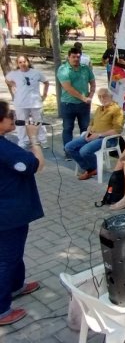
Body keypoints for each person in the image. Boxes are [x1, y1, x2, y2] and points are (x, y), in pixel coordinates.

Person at [0, 101, 45, 325]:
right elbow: (36, 164)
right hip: (8, 214)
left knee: (14, 253)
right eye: (8, 116)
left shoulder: (5, 143)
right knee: (7, 259)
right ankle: (1, 310)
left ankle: (16, 286)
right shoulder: (4, 148)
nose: (12, 118)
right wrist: (34, 137)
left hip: (10, 212)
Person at [65, 88, 124, 180]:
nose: (102, 99)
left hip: (107, 139)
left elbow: (117, 130)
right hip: (92, 135)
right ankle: (90, 168)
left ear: (111, 97)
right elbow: (91, 123)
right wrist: (88, 132)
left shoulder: (117, 110)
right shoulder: (99, 108)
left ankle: (92, 169)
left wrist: (98, 135)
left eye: (104, 96)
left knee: (84, 151)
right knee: (68, 147)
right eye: (99, 97)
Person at [57, 47, 95, 158]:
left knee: (85, 128)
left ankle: (85, 151)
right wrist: (83, 98)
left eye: (78, 57)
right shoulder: (63, 69)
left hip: (84, 105)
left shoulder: (85, 68)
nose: (76, 59)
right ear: (68, 57)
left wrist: (91, 95)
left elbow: (92, 83)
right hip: (68, 104)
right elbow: (68, 88)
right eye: (73, 57)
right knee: (68, 128)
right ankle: (68, 152)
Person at [5, 55, 49, 149]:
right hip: (21, 103)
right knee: (21, 123)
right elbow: (7, 80)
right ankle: (23, 140)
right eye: (20, 62)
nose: (22, 64)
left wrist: (44, 94)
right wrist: (13, 85)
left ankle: (42, 140)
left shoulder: (36, 73)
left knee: (39, 122)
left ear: (28, 62)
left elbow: (46, 82)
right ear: (17, 64)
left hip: (35, 102)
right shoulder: (14, 74)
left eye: (24, 61)